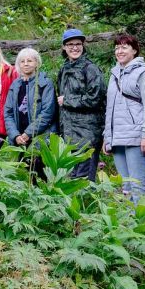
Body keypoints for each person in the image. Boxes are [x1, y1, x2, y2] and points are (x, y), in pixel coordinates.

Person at [103, 34, 145, 203]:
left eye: (124, 47)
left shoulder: (143, 72)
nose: (120, 51)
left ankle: (143, 226)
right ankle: (129, 226)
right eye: (117, 47)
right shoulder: (114, 73)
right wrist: (107, 137)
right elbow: (110, 108)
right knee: (126, 187)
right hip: (117, 137)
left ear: (134, 50)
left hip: (136, 137)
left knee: (138, 185)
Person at [55, 28, 106, 180]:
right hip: (69, 135)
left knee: (84, 181)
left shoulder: (90, 69)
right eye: (70, 44)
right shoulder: (64, 69)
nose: (74, 47)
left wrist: (68, 101)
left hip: (87, 135)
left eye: (78, 44)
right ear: (64, 47)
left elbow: (96, 98)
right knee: (72, 180)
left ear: (83, 45)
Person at [3, 47, 56, 176]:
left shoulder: (45, 84)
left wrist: (27, 134)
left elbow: (47, 113)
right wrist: (15, 135)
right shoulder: (15, 85)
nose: (26, 64)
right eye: (22, 61)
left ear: (37, 63)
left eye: (30, 61)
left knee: (39, 175)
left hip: (39, 138)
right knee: (21, 175)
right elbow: (8, 113)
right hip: (19, 139)